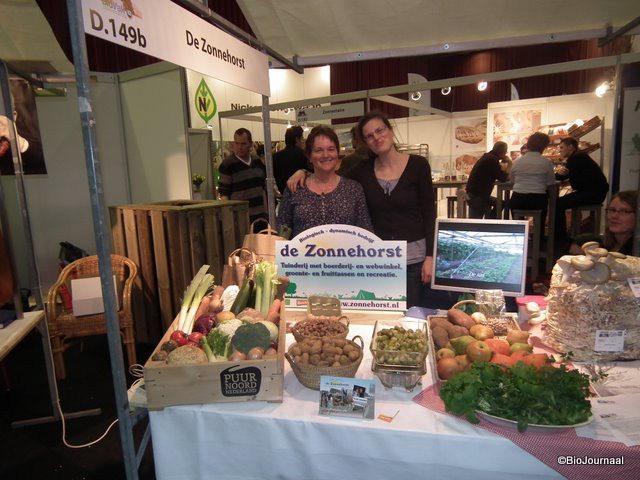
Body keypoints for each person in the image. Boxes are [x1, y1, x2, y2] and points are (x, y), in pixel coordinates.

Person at [288, 111, 445, 308]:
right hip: (380, 263)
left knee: (412, 316)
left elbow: (430, 213)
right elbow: (328, 173)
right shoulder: (362, 170)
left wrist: (430, 257)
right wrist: (303, 171)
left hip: (415, 260)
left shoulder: (418, 165)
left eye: (380, 130)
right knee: (385, 316)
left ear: (390, 130)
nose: (376, 137)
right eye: (369, 136)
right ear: (365, 142)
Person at [276, 125, 372, 238]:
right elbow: (282, 231)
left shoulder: (353, 189)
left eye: (331, 149)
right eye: (319, 150)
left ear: (337, 153)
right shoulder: (295, 188)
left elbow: (366, 233)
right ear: (309, 156)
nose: (326, 155)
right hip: (303, 250)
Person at [554, 137, 609, 241]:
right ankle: (563, 235)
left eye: (562, 147)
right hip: (595, 192)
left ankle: (560, 238)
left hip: (592, 194)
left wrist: (555, 175)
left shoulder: (576, 158)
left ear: (571, 147)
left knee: (557, 205)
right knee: (559, 203)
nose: (559, 150)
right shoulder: (579, 156)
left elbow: (562, 176)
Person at [508, 132, 556, 232]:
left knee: (518, 226)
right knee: (540, 222)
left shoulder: (517, 162)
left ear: (529, 144)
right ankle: (539, 238)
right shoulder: (546, 162)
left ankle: (519, 236)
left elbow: (512, 180)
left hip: (518, 199)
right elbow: (551, 183)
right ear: (544, 146)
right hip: (537, 200)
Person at [218, 128, 267, 224]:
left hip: (260, 216)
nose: (240, 147)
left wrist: (266, 212)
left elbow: (263, 189)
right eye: (237, 143)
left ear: (250, 144)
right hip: (239, 218)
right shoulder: (227, 164)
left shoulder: (257, 161)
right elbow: (224, 195)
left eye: (243, 144)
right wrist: (228, 219)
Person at [569, 190, 637, 256]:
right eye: (612, 210)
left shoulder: (635, 253)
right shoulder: (608, 246)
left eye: (624, 211)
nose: (614, 216)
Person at [465, 141, 511, 218]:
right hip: (477, 196)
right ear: (502, 152)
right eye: (505, 152)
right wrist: (510, 163)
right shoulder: (492, 160)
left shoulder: (488, 157)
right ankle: (489, 222)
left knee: (500, 203)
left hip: (474, 193)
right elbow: (503, 178)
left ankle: (489, 221)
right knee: (476, 220)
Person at [272, 126, 308, 196]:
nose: (303, 140)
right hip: (302, 195)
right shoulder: (303, 154)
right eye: (302, 138)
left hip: (284, 194)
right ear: (297, 139)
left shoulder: (276, 157)